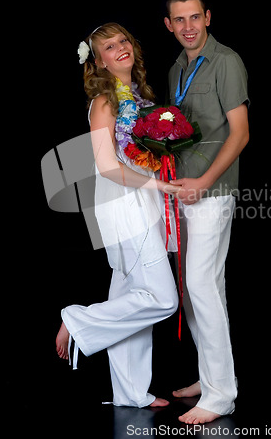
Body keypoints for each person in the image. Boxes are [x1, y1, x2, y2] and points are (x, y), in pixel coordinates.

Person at [55, 23, 180, 408]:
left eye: (123, 40)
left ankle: (130, 394)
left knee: (130, 292)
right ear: (99, 61)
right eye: (109, 47)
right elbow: (107, 165)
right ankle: (77, 320)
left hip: (142, 200)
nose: (120, 48)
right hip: (125, 205)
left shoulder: (138, 95)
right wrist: (157, 186)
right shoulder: (104, 101)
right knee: (162, 299)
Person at [164, 0, 250, 424]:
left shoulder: (226, 62)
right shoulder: (176, 68)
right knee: (197, 290)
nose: (188, 26)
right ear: (169, 25)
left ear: (208, 17)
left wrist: (203, 182)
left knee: (199, 285)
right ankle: (210, 374)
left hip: (211, 192)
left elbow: (240, 133)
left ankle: (220, 396)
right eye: (179, 20)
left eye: (195, 17)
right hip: (182, 191)